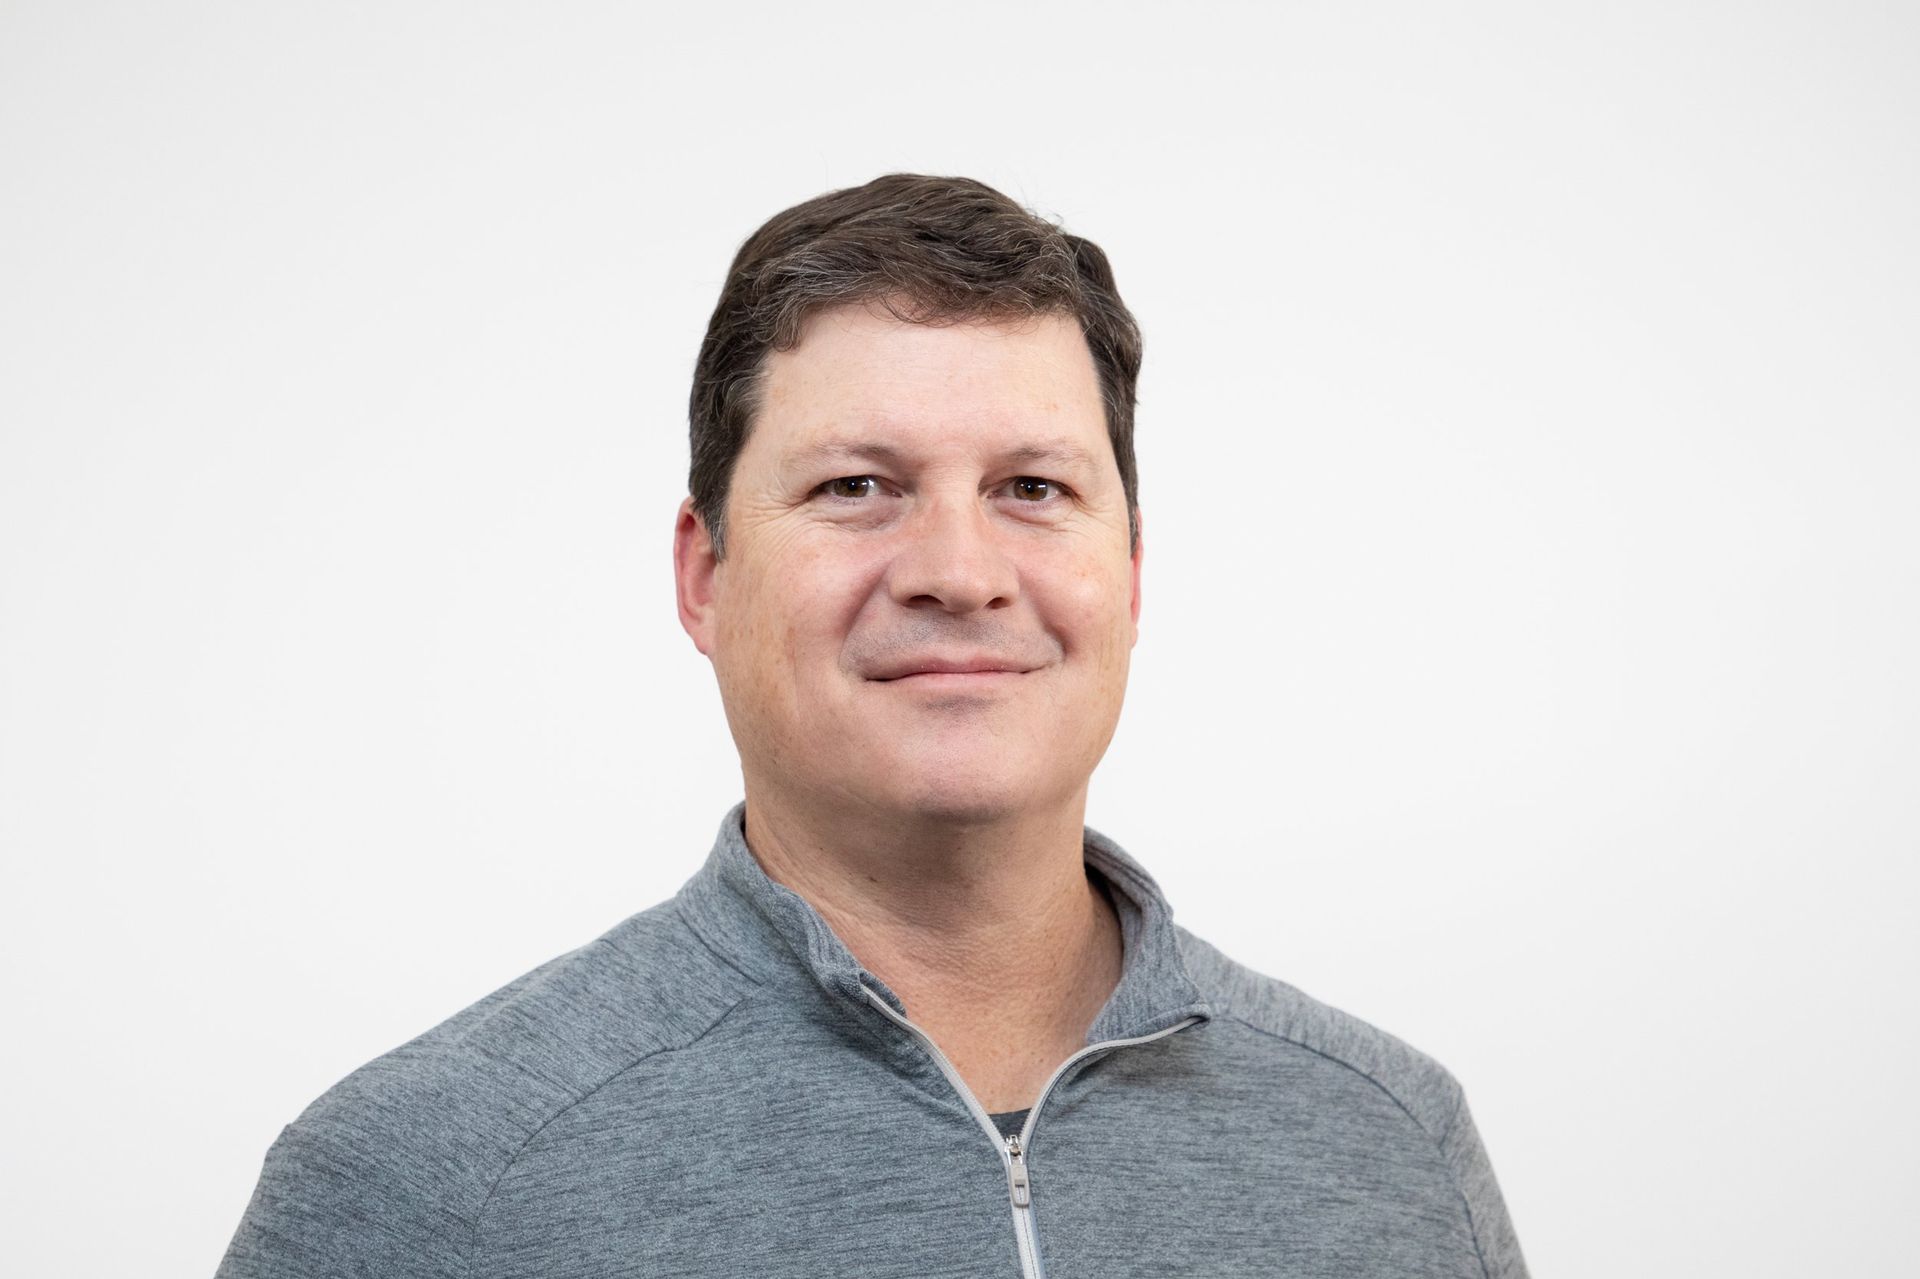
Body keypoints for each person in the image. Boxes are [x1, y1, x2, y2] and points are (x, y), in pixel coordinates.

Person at [215, 174, 1530, 1278]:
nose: (958, 572)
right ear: (705, 577)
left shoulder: (1391, 1145)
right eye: (857, 486)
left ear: (1130, 575)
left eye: (1033, 487)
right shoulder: (420, 1184)